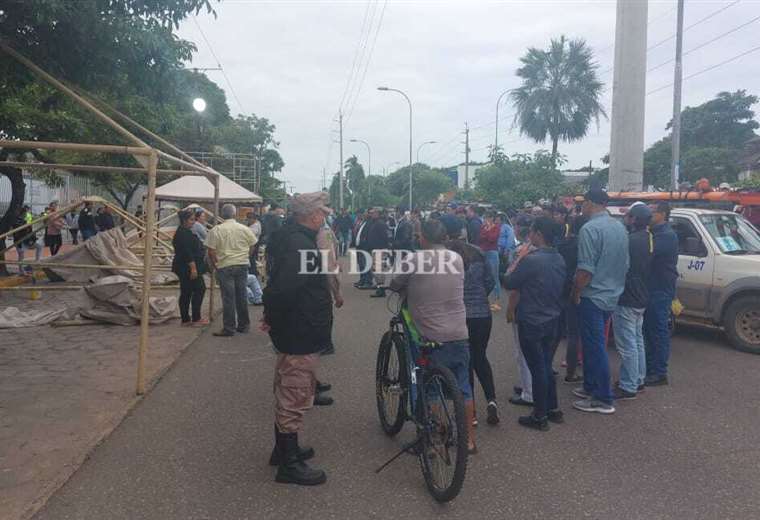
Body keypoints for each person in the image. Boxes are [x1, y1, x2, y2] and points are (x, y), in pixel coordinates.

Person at [389, 219, 478, 454]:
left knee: (427, 386)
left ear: (422, 238)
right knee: (464, 388)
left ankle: (434, 439)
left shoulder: (415, 259)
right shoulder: (456, 258)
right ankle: (469, 441)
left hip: (427, 334)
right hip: (459, 331)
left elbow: (395, 283)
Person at [263, 191, 333, 486]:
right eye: (322, 212)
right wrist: (273, 318)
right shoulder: (298, 243)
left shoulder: (289, 236)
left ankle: (283, 449)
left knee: (289, 387)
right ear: (312, 215)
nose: (325, 216)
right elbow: (283, 290)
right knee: (294, 393)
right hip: (299, 329)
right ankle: (289, 464)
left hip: (295, 328)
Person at [503, 217, 566, 431]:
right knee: (546, 366)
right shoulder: (559, 258)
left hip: (532, 319)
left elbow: (509, 281)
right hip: (553, 317)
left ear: (538, 233)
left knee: (538, 367)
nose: (529, 235)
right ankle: (553, 408)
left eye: (531, 232)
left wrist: (517, 260)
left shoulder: (531, 259)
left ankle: (539, 415)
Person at [571, 188, 629, 415]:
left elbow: (585, 270)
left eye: (583, 202)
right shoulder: (619, 227)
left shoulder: (590, 229)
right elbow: (625, 264)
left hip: (593, 296)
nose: (581, 206)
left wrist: (576, 292)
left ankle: (603, 398)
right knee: (593, 344)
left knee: (595, 347)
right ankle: (590, 387)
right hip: (612, 294)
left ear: (591, 203)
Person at [447, 239, 499, 426]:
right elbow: (490, 281)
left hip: (461, 314)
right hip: (483, 315)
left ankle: (472, 411)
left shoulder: (451, 261)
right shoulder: (479, 255)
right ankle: (492, 400)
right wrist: (480, 296)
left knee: (465, 362)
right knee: (480, 357)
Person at [613, 204, 654, 399]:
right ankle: (637, 380)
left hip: (628, 297)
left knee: (627, 344)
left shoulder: (631, 241)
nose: (626, 219)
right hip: (642, 295)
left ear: (635, 219)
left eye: (629, 216)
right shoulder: (650, 238)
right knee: (637, 341)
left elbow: (621, 267)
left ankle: (628, 385)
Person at [205, 203, 257, 337]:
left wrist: (216, 263)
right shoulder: (244, 229)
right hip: (242, 264)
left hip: (225, 265)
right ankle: (244, 325)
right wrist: (246, 256)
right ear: (234, 214)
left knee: (228, 298)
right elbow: (253, 244)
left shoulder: (216, 230)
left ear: (222, 215)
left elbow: (211, 251)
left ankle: (229, 328)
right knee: (241, 295)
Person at [644, 201, 679, 387]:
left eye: (653, 212)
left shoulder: (665, 236)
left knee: (658, 331)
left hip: (660, 289)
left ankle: (659, 372)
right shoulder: (655, 233)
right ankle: (650, 368)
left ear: (662, 214)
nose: (650, 215)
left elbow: (648, 254)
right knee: (649, 330)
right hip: (653, 288)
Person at [504, 214, 535, 408]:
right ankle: (528, 386)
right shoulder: (548, 252)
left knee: (522, 352)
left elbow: (511, 281)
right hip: (543, 306)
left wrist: (510, 309)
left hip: (524, 307)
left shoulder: (521, 252)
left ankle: (528, 393)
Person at [556, 214, 586, 383]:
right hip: (575, 290)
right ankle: (571, 373)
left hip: (559, 289)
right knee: (574, 333)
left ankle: (547, 367)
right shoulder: (583, 246)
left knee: (557, 330)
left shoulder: (562, 244)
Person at [172, 210, 207, 326]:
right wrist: (193, 268)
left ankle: (186, 319)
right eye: (191, 219)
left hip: (187, 266)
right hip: (187, 267)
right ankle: (195, 318)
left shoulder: (185, 231)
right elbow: (187, 253)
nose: (193, 222)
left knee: (187, 291)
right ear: (184, 221)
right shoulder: (182, 234)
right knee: (199, 289)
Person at [479, 211, 501, 311]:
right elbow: (480, 237)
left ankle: (496, 301)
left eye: (487, 218)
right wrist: (487, 232)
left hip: (492, 253)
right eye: (485, 218)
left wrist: (487, 232)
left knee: (494, 276)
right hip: (483, 252)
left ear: (492, 218)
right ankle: (486, 300)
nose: (485, 220)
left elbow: (492, 239)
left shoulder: (496, 227)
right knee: (484, 277)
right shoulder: (483, 227)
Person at [367, 209, 390, 297]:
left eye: (373, 213)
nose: (371, 214)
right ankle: (379, 287)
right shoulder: (375, 223)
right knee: (376, 270)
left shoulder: (380, 224)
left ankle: (381, 290)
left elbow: (386, 236)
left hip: (380, 250)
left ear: (377, 214)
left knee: (379, 270)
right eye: (371, 213)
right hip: (376, 250)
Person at [12, 207, 42, 274]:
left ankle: (37, 261)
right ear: (23, 213)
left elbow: (30, 231)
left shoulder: (25, 221)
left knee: (39, 246)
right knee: (21, 256)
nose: (26, 214)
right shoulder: (16, 221)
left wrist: (33, 239)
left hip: (27, 240)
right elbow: (18, 233)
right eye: (25, 213)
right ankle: (21, 271)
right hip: (19, 241)